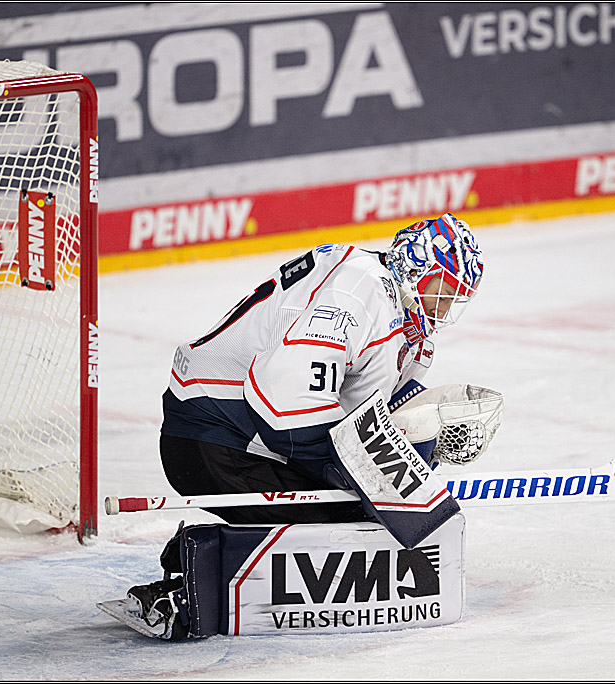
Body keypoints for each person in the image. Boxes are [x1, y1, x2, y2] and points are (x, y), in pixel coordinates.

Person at [122, 213, 488, 639]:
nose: (443, 308)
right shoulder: (360, 289)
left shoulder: (400, 321)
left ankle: (206, 564)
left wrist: (426, 440)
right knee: (350, 523)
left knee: (371, 513)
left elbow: (365, 419)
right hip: (214, 432)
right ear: (415, 266)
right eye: (441, 290)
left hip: (247, 436)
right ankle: (191, 583)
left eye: (454, 299)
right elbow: (285, 408)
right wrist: (362, 478)